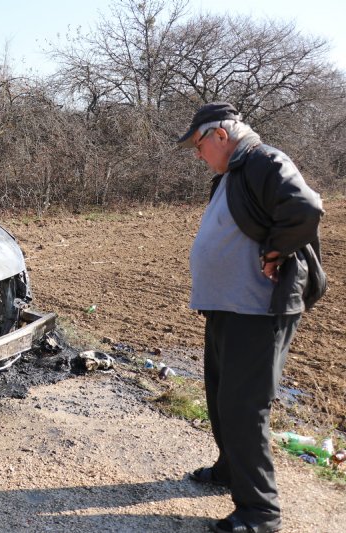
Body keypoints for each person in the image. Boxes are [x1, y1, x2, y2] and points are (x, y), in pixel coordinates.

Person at [177, 102, 326, 533]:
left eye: (198, 145)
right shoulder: (234, 172)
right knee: (223, 397)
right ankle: (229, 470)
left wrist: (277, 250)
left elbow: (305, 208)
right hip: (230, 305)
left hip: (258, 309)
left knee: (245, 407)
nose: (197, 154)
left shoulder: (264, 160)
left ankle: (260, 513)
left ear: (220, 136)